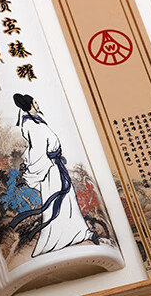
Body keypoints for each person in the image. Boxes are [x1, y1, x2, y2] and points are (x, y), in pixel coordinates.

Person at [9, 93, 95, 256]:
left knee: (69, 200)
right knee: (59, 201)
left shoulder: (35, 121)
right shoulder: (32, 125)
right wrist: (33, 171)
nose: (38, 104)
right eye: (35, 102)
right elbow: (37, 151)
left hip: (55, 166)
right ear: (30, 106)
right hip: (50, 169)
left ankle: (81, 233)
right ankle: (58, 239)